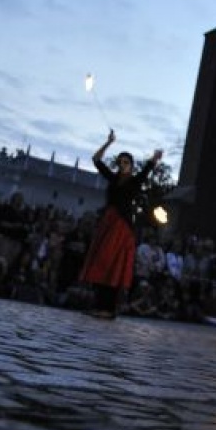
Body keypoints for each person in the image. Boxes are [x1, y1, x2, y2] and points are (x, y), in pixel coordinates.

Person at [79, 130, 163, 318]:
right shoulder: (113, 178)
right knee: (102, 262)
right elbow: (96, 160)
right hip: (108, 223)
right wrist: (108, 143)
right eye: (120, 162)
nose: (122, 165)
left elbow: (148, 168)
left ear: (131, 166)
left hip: (121, 227)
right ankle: (99, 306)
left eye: (126, 162)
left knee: (113, 264)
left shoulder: (135, 181)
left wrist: (155, 158)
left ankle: (108, 309)